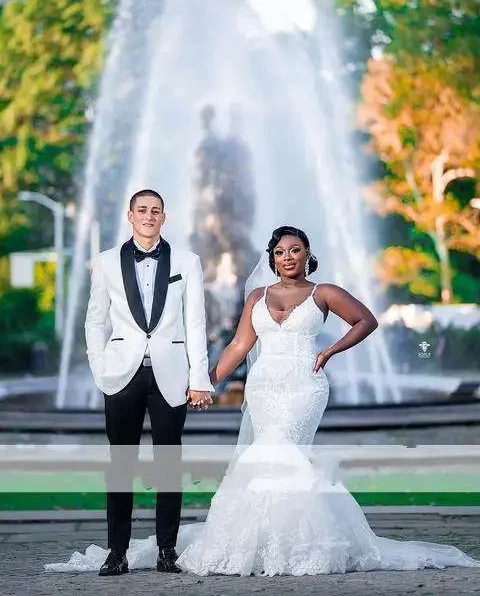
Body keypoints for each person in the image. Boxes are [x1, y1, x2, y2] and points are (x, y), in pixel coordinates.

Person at [46, 225, 480, 576]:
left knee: (283, 453)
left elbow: (365, 320)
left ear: (307, 254)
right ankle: (260, 542)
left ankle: (299, 545)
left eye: (294, 250)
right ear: (271, 258)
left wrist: (329, 351)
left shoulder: (323, 292)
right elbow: (237, 347)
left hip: (305, 387)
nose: (286, 257)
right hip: (264, 386)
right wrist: (202, 380)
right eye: (279, 252)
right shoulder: (257, 297)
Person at [81, 189, 213, 576]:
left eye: (155, 210)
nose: (149, 216)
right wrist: (99, 367)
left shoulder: (187, 262)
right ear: (130, 215)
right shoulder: (106, 263)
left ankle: (166, 551)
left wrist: (199, 378)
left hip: (171, 374)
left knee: (169, 464)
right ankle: (116, 552)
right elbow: (94, 321)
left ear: (164, 217)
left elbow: (196, 325)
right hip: (121, 374)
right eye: (142, 210)